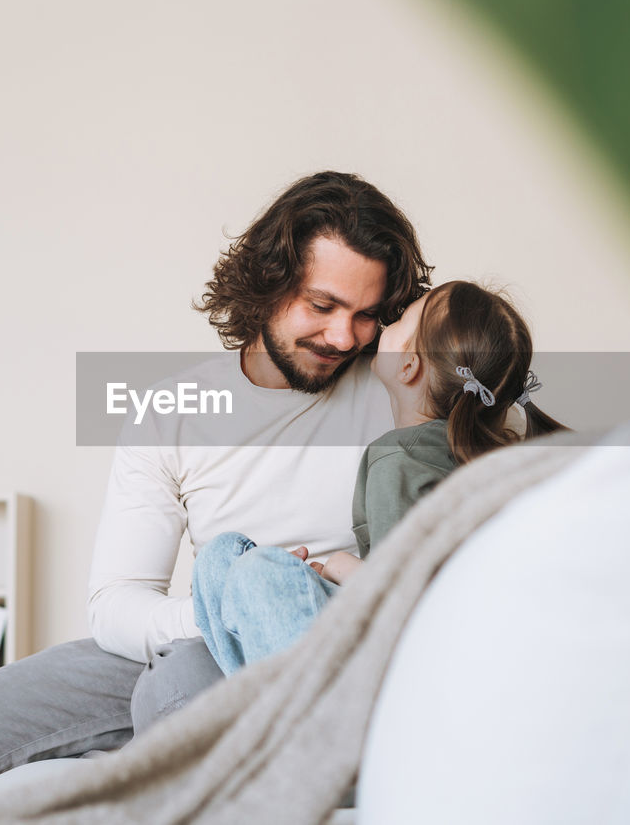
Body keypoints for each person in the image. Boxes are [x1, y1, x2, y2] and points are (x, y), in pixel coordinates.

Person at [0, 171, 433, 806]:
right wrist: (224, 608)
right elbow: (117, 604)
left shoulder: (403, 389)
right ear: (268, 282)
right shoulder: (171, 411)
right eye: (322, 306)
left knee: (175, 692)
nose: (344, 337)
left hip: (328, 639)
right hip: (203, 627)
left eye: (367, 316)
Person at [192, 280, 567, 675]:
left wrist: (340, 567)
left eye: (402, 320)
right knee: (223, 555)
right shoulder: (466, 453)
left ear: (409, 365)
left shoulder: (400, 456)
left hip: (398, 656)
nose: (385, 326)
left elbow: (405, 601)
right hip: (408, 635)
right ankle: (268, 707)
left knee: (255, 571)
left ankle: (295, 719)